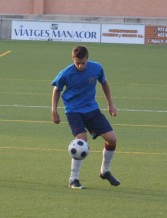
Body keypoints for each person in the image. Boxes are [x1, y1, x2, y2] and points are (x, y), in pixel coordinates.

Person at [51, 45, 120, 189]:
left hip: (92, 109)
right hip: (73, 111)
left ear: (87, 59)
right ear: (73, 59)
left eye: (83, 63)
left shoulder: (96, 68)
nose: (81, 66)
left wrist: (110, 104)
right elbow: (57, 90)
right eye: (77, 63)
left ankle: (105, 171)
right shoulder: (66, 73)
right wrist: (54, 110)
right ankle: (73, 180)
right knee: (81, 141)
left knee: (112, 139)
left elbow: (104, 83)